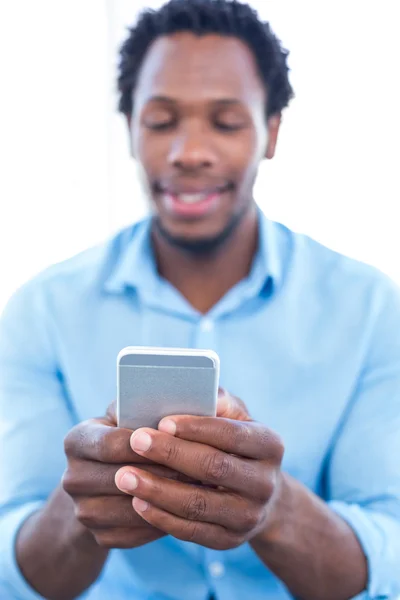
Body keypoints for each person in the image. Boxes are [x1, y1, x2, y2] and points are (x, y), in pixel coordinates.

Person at [0, 0, 399, 598]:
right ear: (131, 131)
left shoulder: (371, 310)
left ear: (272, 132)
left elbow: (389, 559)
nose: (189, 151)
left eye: (226, 122)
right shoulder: (42, 310)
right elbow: (13, 572)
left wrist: (277, 510)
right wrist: (76, 513)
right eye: (161, 121)